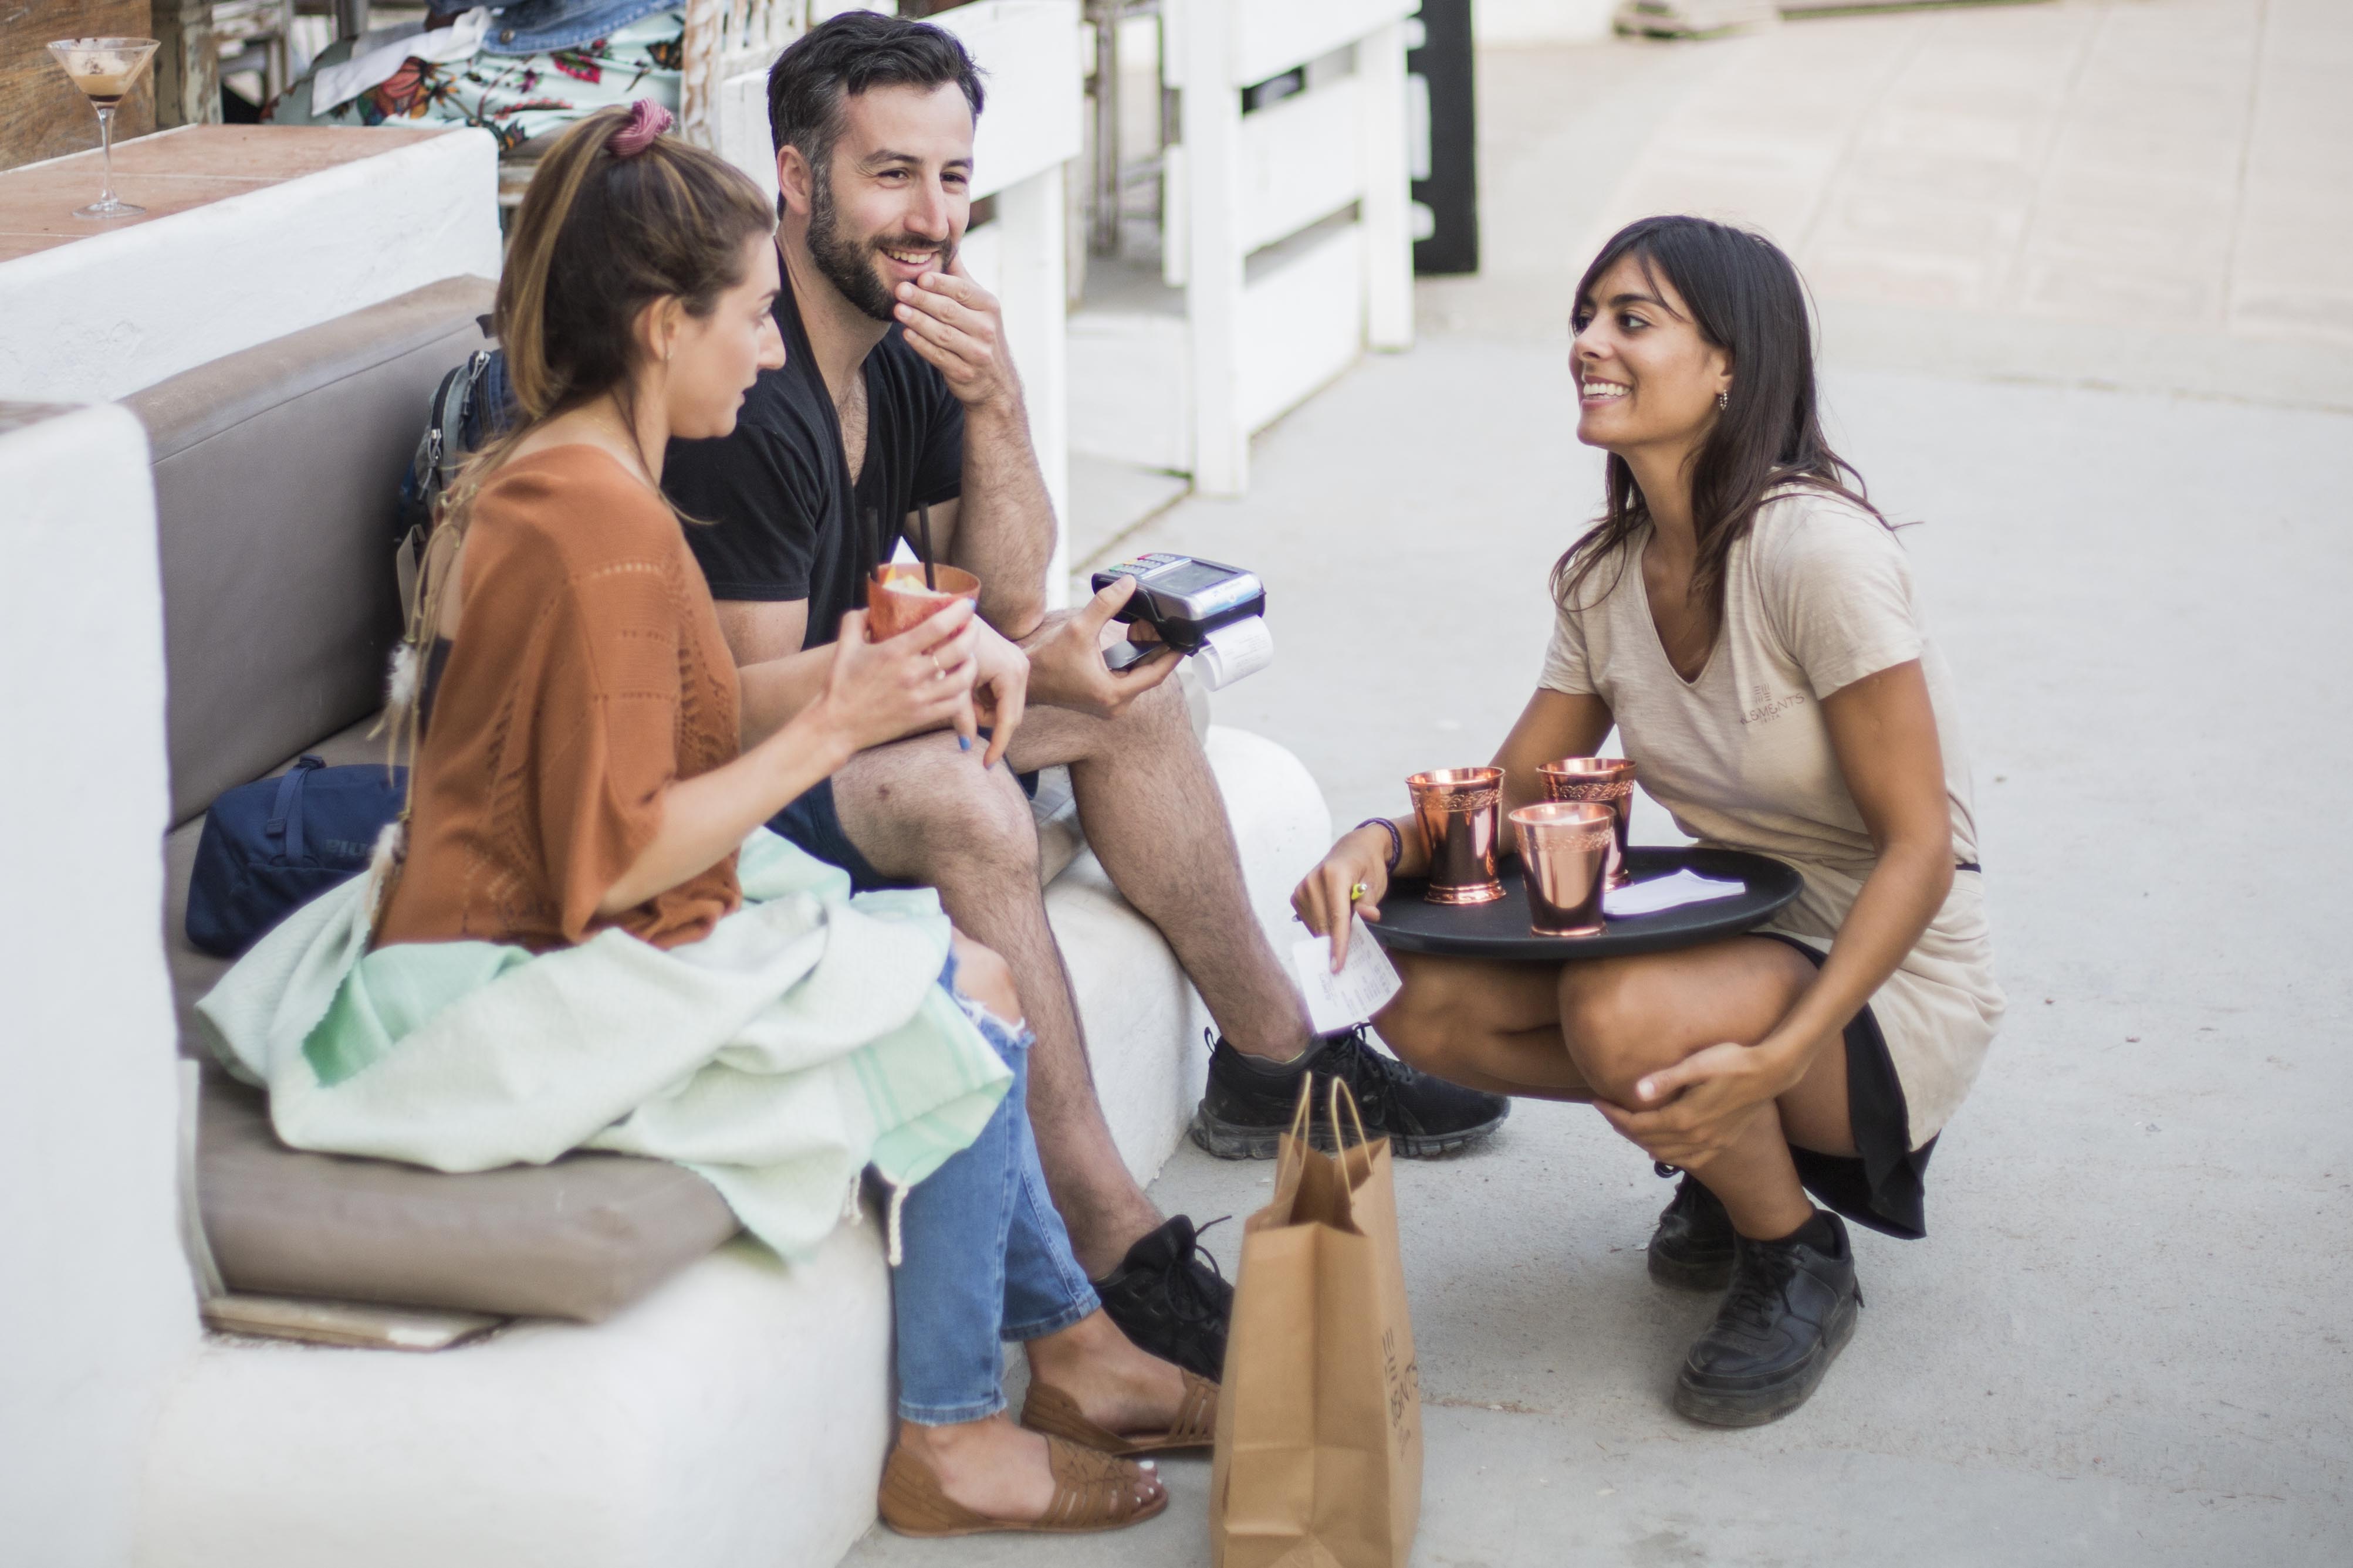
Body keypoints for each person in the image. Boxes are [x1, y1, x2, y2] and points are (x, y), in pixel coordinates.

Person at [384, 100, 1207, 1536]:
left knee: (966, 977)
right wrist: (837, 721)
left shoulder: (590, 478)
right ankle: (956, 1429)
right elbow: (613, 851)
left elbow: (671, 721)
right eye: (755, 319)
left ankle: (1075, 1355)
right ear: (663, 327)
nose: (772, 354)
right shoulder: (601, 529)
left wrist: (884, 665)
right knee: (962, 998)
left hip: (565, 917)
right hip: (526, 968)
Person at [660, 9, 1511, 1380]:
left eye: (952, 177)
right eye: (891, 174)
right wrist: (984, 670)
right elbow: (736, 709)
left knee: (1127, 691)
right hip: (731, 784)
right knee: (965, 799)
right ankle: (1112, 1243)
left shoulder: (906, 339)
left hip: (844, 714)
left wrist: (996, 404)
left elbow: (1008, 597)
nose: (930, 217)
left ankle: (1276, 1055)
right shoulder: (749, 388)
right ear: (799, 180)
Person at [1294, 215, 2004, 1427]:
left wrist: (1781, 1056)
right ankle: (1725, 1157)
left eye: (1631, 320)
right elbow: (1512, 791)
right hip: (1726, 936)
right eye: (1584, 317)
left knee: (1618, 1007)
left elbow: (1921, 848)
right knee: (1411, 991)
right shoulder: (1607, 575)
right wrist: (1379, 842)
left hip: (1884, 981)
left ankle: (1791, 1246)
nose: (1587, 343)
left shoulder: (1817, 553)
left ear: (1728, 364)